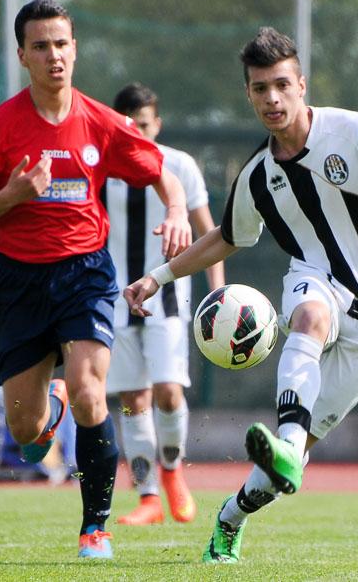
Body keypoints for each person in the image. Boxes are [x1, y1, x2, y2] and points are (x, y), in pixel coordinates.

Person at [123, 27, 358, 563]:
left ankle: (231, 516)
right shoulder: (257, 176)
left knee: (281, 470)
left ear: (301, 85)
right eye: (258, 89)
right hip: (316, 278)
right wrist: (159, 276)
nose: (271, 98)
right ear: (248, 94)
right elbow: (226, 238)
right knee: (309, 318)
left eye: (280, 85)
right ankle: (288, 444)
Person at [0, 0, 192, 559]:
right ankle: (47, 411)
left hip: (85, 273)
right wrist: (11, 196)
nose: (53, 55)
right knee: (24, 431)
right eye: (41, 45)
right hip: (17, 282)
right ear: (22, 55)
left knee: (91, 393)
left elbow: (163, 173)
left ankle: (95, 529)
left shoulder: (102, 121)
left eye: (62, 44)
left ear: (75, 50)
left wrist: (176, 212)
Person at [104, 83, 225, 526]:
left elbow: (211, 233)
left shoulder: (180, 166)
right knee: (133, 400)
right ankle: (148, 497)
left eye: (146, 126)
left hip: (168, 299)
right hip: (114, 302)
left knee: (168, 392)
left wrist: (217, 294)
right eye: (130, 126)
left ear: (158, 124)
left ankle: (172, 472)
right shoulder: (100, 167)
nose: (139, 133)